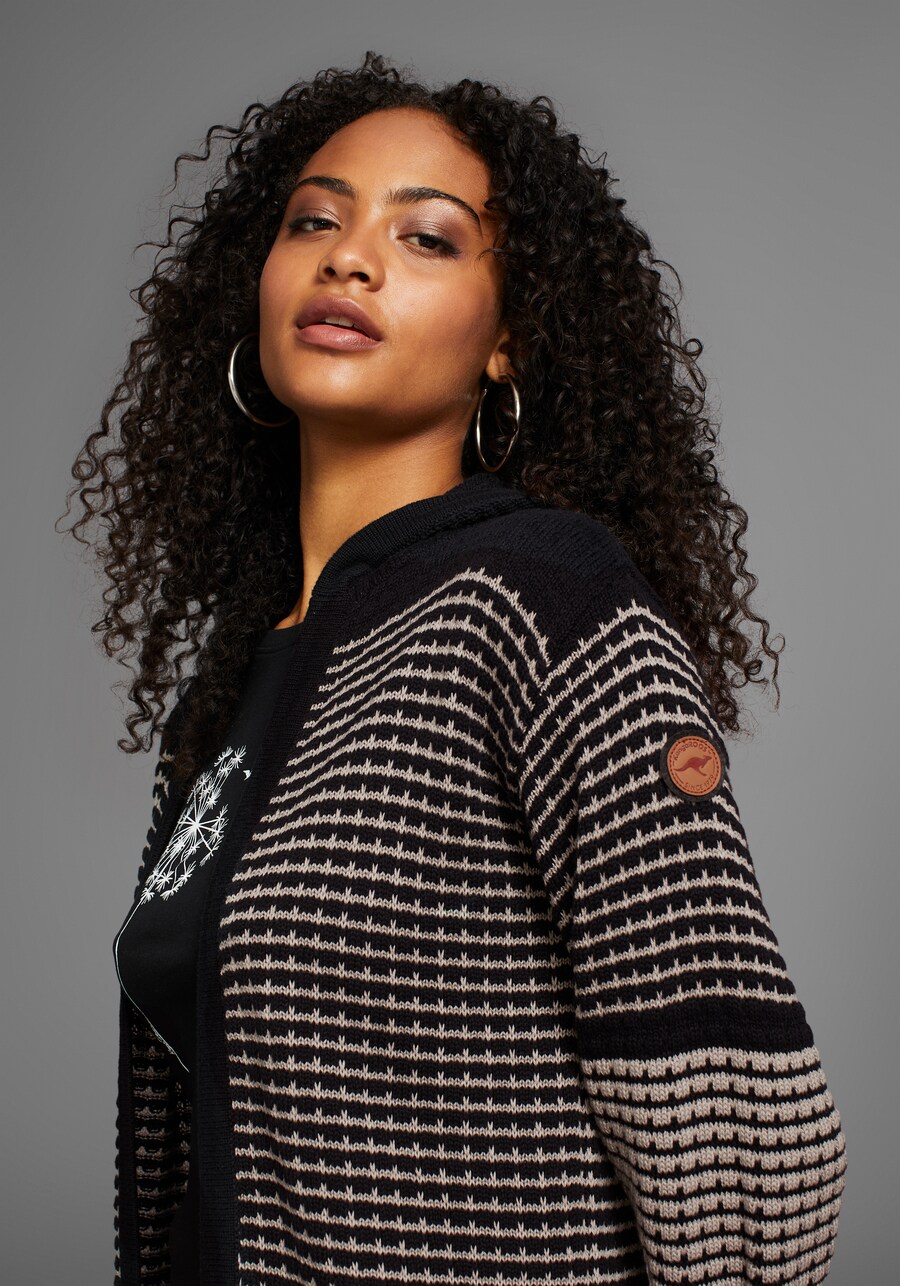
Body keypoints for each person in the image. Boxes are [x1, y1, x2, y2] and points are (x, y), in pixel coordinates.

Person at [59, 50, 847, 1286]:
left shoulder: (546, 599)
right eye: (312, 221)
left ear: (506, 342)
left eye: (426, 238)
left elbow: (736, 1105)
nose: (349, 259)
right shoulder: (234, 680)